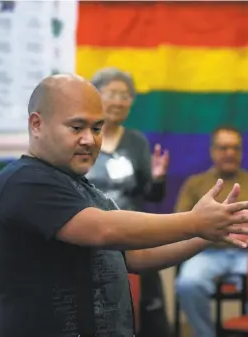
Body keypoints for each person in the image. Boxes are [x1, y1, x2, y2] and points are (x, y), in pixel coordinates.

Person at [0, 74, 248, 337]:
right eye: (76, 127)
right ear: (36, 124)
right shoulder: (23, 181)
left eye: (97, 128)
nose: (90, 140)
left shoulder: (85, 189)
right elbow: (101, 230)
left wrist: (208, 233)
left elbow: (137, 256)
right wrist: (195, 221)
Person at [86, 68, 170, 337]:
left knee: (148, 307)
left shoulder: (136, 142)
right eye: (112, 94)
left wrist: (157, 179)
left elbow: (153, 196)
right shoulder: (84, 137)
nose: (119, 101)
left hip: (134, 237)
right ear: (96, 95)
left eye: (126, 96)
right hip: (92, 239)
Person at [175, 126, 248, 337]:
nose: (230, 153)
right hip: (205, 251)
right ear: (212, 151)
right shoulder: (195, 183)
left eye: (236, 148)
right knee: (188, 284)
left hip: (247, 252)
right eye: (224, 148)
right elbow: (179, 223)